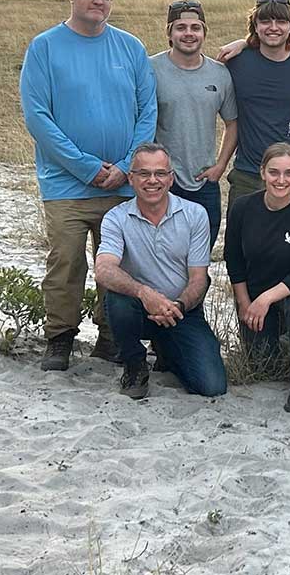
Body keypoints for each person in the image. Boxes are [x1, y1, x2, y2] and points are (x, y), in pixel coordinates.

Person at [19, 0, 157, 372]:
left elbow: (147, 111)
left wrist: (128, 165)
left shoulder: (130, 48)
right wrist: (84, 167)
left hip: (121, 184)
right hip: (66, 185)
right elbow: (38, 117)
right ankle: (59, 338)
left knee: (118, 263)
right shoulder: (45, 47)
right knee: (67, 261)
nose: (99, 1)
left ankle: (110, 337)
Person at [94, 143, 227, 400]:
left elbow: (199, 278)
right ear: (131, 179)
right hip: (137, 310)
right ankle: (134, 364)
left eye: (160, 173)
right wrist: (144, 294)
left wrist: (177, 305)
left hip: (181, 311)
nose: (152, 181)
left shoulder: (195, 214)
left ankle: (168, 348)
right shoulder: (115, 218)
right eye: (144, 174)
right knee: (117, 300)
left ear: (171, 178)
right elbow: (104, 270)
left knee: (212, 386)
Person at [225, 142, 290, 413]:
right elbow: (233, 259)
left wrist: (267, 299)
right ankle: (286, 338)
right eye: (274, 172)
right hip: (257, 291)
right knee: (262, 364)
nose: (281, 180)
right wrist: (245, 303)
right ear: (262, 173)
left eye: (289, 173)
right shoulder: (242, 208)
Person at [222, 0, 290, 207]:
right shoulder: (236, 63)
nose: (273, 27)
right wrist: (243, 43)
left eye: (281, 21)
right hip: (249, 173)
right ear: (254, 25)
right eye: (265, 21)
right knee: (243, 238)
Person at [150, 0, 238, 247]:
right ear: (169, 33)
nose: (188, 34)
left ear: (204, 32)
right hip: (162, 181)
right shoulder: (150, 69)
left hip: (204, 182)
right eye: (180, 27)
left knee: (200, 256)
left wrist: (220, 166)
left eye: (195, 27)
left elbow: (232, 123)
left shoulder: (220, 74)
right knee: (162, 255)